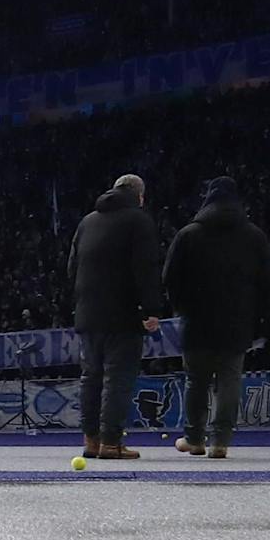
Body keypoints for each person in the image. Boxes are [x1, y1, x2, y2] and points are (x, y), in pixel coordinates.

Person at [162, 175, 270, 460]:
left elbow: (169, 277)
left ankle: (194, 438)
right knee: (229, 380)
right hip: (236, 321)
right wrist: (257, 317)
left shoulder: (188, 234)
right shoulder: (254, 236)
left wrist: (182, 306)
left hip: (197, 319)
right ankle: (221, 441)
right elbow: (267, 283)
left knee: (195, 381)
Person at [68, 172, 160, 460]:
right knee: (117, 378)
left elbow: (72, 267)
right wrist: (151, 309)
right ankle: (111, 442)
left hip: (88, 314)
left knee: (90, 378)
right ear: (140, 196)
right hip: (122, 314)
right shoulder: (138, 221)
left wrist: (81, 303)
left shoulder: (87, 221)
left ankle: (91, 440)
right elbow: (145, 268)